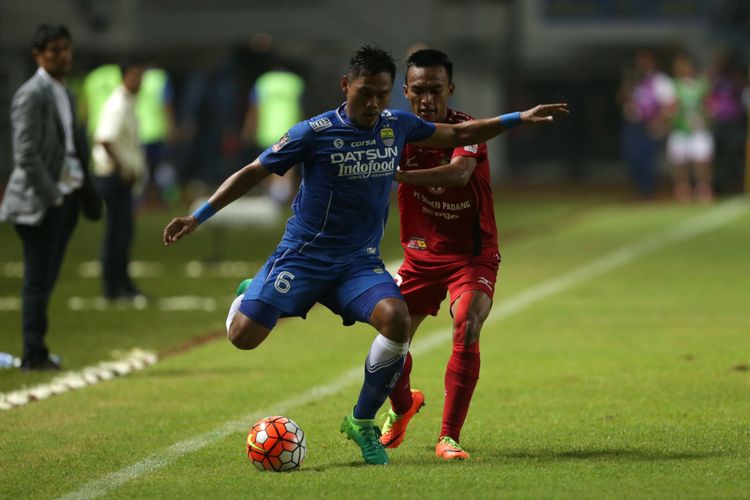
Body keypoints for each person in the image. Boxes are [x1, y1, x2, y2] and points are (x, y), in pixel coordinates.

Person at [162, 45, 567, 465]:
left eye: (381, 94)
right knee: (242, 337)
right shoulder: (312, 133)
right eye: (365, 93)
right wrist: (199, 216)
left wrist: (518, 117)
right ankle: (251, 296)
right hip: (305, 257)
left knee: (395, 319)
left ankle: (362, 421)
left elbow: (462, 135)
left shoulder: (398, 125)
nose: (374, 103)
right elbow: (253, 171)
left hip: (358, 262)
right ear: (345, 86)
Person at [375, 49, 498, 461]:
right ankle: (403, 404)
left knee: (467, 323)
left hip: (470, 254)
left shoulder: (469, 130)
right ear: (405, 91)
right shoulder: (391, 132)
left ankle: (448, 437)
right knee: (390, 342)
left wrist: (400, 175)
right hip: (420, 257)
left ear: (451, 89)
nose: (428, 100)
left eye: (436, 90)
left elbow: (459, 174)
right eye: (419, 91)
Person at [0, 24, 101, 371]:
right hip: (38, 203)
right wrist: (53, 196)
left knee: (47, 279)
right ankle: (33, 354)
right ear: (38, 55)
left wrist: (85, 189)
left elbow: (73, 146)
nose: (61, 55)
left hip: (66, 197)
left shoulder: (65, 92)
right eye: (53, 50)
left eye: (65, 48)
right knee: (37, 281)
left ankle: (37, 349)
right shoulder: (32, 94)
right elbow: (25, 154)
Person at [92, 59, 148, 300]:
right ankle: (113, 288)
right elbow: (105, 139)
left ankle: (122, 284)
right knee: (117, 232)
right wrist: (124, 168)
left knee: (123, 232)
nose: (139, 82)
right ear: (124, 77)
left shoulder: (126, 102)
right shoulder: (118, 104)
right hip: (114, 177)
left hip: (118, 177)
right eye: (135, 76)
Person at [240, 63, 305, 205]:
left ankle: (270, 200)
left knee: (266, 167)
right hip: (291, 130)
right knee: (288, 167)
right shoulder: (295, 82)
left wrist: (248, 129)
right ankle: (283, 199)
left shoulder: (263, 81)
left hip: (267, 130)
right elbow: (300, 107)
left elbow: (254, 108)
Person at [619, 49, 674, 199]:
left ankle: (648, 191)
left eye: (645, 61)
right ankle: (639, 188)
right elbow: (622, 98)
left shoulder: (660, 80)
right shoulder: (633, 79)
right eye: (639, 61)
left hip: (650, 124)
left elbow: (669, 104)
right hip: (633, 124)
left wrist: (659, 122)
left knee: (648, 159)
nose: (641, 64)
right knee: (632, 156)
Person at [665, 53, 714, 203]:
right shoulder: (674, 85)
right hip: (680, 129)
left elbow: (708, 105)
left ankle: (703, 187)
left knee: (702, 160)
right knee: (679, 161)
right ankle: (682, 188)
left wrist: (704, 118)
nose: (681, 68)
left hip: (699, 129)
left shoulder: (702, 84)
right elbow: (670, 107)